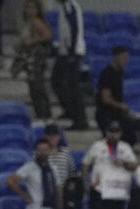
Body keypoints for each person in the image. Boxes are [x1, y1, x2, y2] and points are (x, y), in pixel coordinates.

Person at [7, 139, 64, 209]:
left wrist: (60, 208)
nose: (42, 152)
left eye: (45, 150)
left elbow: (58, 189)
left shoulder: (53, 168)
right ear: (36, 151)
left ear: (50, 151)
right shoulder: (30, 167)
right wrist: (24, 195)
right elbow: (10, 180)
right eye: (40, 150)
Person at [82, 121, 137, 209]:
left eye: (116, 132)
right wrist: (86, 182)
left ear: (120, 133)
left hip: (117, 189)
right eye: (111, 132)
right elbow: (85, 163)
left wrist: (123, 163)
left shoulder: (125, 147)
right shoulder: (97, 146)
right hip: (99, 190)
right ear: (106, 132)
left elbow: (134, 165)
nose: (113, 135)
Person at [10, 0, 53, 123]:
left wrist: (32, 41)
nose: (30, 10)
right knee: (33, 86)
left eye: (33, 8)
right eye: (28, 8)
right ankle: (40, 112)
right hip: (28, 58)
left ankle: (44, 113)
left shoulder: (36, 22)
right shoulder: (25, 23)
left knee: (38, 86)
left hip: (36, 58)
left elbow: (48, 35)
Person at [52, 0, 87, 130]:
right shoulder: (63, 7)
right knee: (57, 81)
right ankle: (69, 109)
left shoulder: (69, 6)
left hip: (71, 51)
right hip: (65, 50)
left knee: (73, 87)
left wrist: (71, 51)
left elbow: (74, 27)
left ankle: (80, 119)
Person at [95, 46, 134, 143]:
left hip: (117, 113)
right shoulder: (107, 74)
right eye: (124, 58)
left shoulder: (120, 72)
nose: (126, 61)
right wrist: (122, 106)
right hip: (106, 114)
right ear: (115, 57)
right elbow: (106, 98)